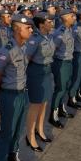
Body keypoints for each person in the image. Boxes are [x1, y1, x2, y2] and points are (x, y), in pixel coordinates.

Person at [0, 14, 33, 161]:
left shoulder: (24, 47)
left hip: (22, 93)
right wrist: (0, 92)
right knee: (6, 131)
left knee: (18, 129)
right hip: (9, 95)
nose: (31, 30)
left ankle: (13, 157)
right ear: (17, 29)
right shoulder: (6, 49)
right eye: (28, 28)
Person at [25, 12, 55, 152]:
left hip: (47, 72)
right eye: (49, 21)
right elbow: (27, 59)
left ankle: (40, 130)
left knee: (44, 103)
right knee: (35, 105)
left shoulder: (48, 37)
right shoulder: (35, 39)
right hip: (36, 73)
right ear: (41, 24)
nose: (52, 23)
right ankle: (30, 135)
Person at [49, 9, 76, 129]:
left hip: (68, 61)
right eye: (72, 16)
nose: (75, 18)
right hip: (61, 63)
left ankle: (61, 108)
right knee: (60, 89)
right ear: (65, 18)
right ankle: (53, 115)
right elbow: (52, 51)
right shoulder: (59, 33)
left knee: (65, 86)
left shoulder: (69, 30)